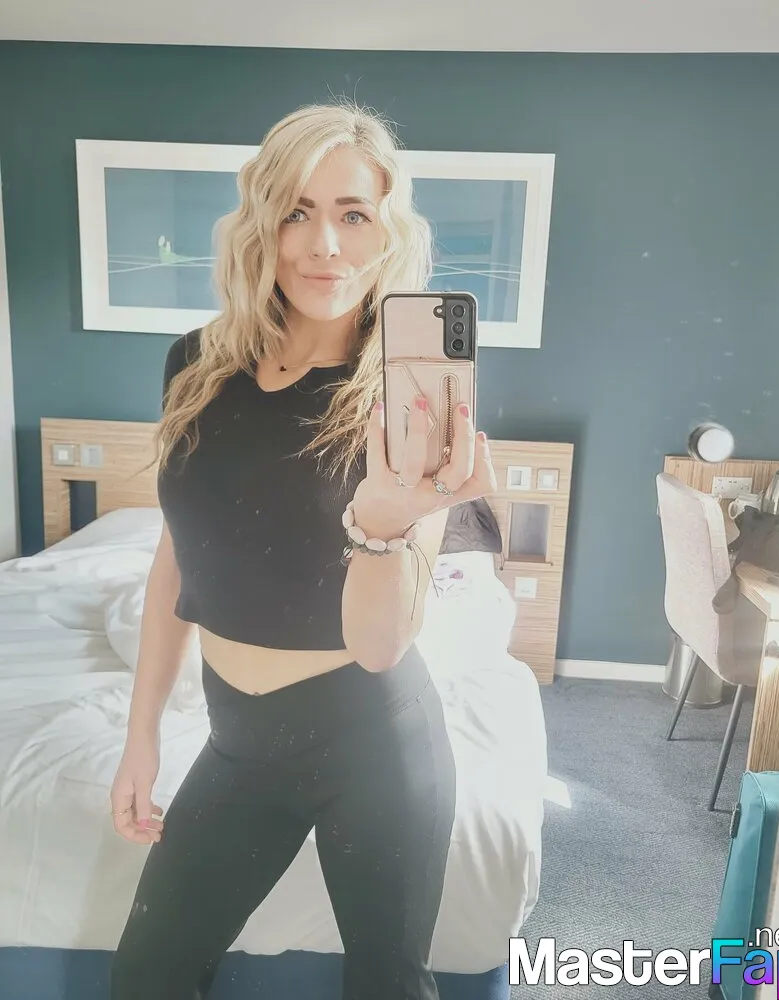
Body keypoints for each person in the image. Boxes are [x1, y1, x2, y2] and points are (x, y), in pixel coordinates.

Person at [108, 100, 497, 1000]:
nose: (324, 245)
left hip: (373, 743)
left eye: (353, 214)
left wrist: (384, 521)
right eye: (297, 211)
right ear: (261, 223)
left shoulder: (410, 393)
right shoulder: (195, 365)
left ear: (387, 230)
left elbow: (380, 645)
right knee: (148, 977)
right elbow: (179, 556)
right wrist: (141, 738)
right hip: (237, 742)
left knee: (388, 986)